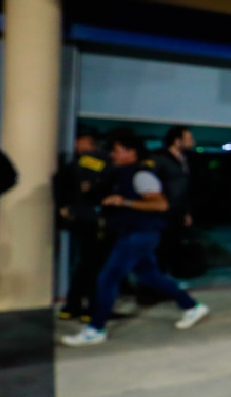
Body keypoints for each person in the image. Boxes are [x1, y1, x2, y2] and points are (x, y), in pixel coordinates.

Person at [61, 128, 209, 346]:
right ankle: (193, 307)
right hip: (134, 233)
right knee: (150, 277)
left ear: (131, 153)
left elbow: (160, 204)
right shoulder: (121, 175)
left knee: (107, 278)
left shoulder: (141, 175)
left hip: (139, 234)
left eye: (117, 150)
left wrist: (125, 202)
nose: (112, 154)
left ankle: (96, 329)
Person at [55, 126, 111, 320]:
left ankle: (73, 306)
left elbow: (62, 183)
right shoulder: (103, 161)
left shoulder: (80, 162)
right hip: (97, 220)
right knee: (96, 266)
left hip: (80, 219)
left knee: (83, 265)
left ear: (87, 140)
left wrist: (65, 207)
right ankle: (91, 307)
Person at [150, 125, 196, 276]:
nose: (192, 141)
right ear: (177, 141)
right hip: (161, 213)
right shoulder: (160, 159)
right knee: (158, 251)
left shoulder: (184, 160)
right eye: (188, 138)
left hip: (177, 213)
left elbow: (185, 189)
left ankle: (164, 282)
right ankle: (150, 291)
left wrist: (187, 212)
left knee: (171, 249)